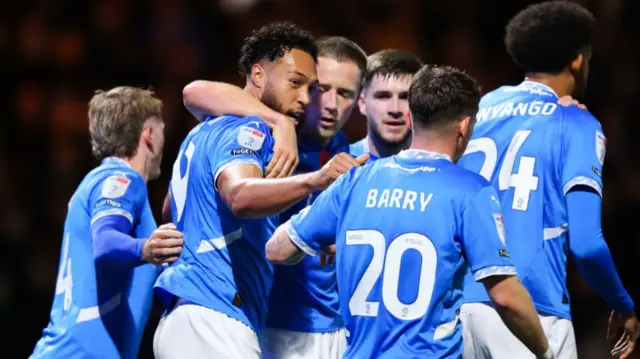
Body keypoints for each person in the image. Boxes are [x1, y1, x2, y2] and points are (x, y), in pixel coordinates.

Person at [265, 65, 554, 359]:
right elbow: (506, 297)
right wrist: (545, 352)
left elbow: (277, 250)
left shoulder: (356, 180)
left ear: (409, 118)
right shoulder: (471, 191)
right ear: (465, 126)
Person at [152, 22, 367, 359]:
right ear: (258, 75)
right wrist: (314, 179)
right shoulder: (248, 128)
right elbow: (239, 196)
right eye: (299, 84)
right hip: (217, 316)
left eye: (310, 88)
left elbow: (169, 210)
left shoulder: (205, 128)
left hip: (196, 316)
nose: (307, 98)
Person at [458, 2, 639, 359]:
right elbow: (587, 244)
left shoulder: (477, 110)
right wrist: (623, 304)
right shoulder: (576, 122)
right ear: (578, 59)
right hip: (532, 310)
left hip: (460, 309)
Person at [30, 87, 183, 359]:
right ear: (148, 134)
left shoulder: (105, 183)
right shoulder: (121, 180)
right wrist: (146, 249)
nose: (164, 136)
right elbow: (105, 242)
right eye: (161, 128)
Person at [349, 49, 423, 159]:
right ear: (362, 103)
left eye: (405, 97)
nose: (395, 109)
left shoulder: (447, 166)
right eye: (383, 96)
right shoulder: (335, 166)